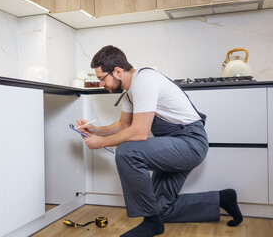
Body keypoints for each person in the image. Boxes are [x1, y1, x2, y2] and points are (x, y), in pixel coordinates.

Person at [77, 45, 243, 237]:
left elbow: (139, 133)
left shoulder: (144, 81)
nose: (101, 84)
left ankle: (151, 223)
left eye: (101, 78)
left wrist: (100, 143)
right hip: (172, 144)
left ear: (117, 71)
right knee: (160, 208)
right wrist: (96, 130)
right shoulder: (129, 91)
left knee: (127, 151)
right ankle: (221, 199)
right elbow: (123, 125)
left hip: (190, 143)